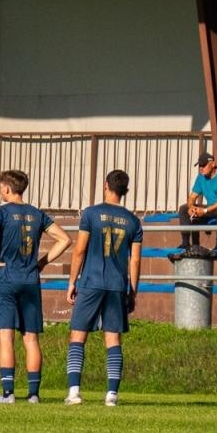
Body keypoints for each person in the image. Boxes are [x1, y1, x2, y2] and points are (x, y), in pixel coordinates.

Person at [0, 169, 69, 403]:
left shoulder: (1, 213)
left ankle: (8, 393)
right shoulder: (37, 214)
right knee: (31, 338)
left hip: (6, 277)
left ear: (7, 189)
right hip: (30, 279)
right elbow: (65, 239)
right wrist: (42, 263)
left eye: (1, 188)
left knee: (6, 336)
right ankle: (34, 394)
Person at [65, 170, 143, 407]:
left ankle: (75, 392)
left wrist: (72, 281)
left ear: (105, 185)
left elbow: (79, 250)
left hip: (91, 282)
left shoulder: (91, 213)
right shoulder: (133, 221)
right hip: (117, 286)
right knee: (113, 339)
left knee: (78, 336)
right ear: (125, 190)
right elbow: (135, 260)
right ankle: (111, 395)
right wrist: (132, 291)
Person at [176, 152, 217, 250]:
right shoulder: (201, 177)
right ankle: (186, 243)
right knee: (183, 209)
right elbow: (191, 198)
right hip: (211, 207)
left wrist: (204, 211)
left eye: (204, 165)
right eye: (200, 166)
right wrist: (191, 207)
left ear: (213, 164)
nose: (201, 168)